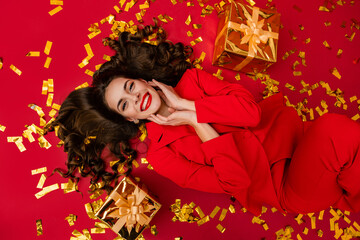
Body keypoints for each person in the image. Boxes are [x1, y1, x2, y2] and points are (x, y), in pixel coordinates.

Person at [48, 22, 360, 216]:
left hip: (307, 144)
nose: (135, 98)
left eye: (130, 87)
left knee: (335, 132)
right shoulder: (162, 154)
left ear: (141, 79)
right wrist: (197, 123)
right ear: (127, 118)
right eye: (124, 104)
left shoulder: (194, 81)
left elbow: (250, 113)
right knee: (334, 128)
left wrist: (191, 106)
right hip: (289, 187)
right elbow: (235, 182)